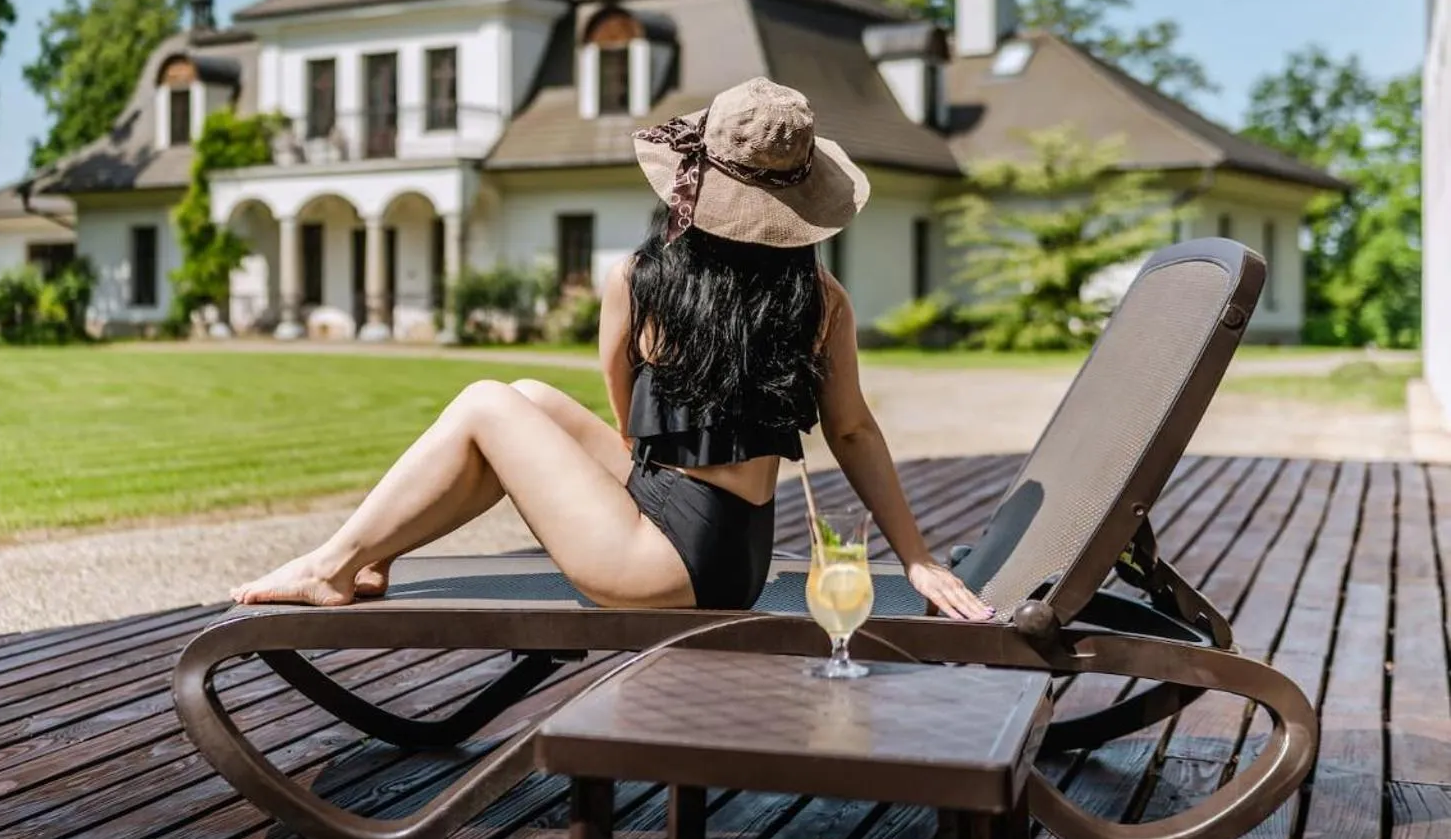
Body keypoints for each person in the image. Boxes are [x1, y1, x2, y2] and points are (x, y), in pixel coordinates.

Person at [232, 77, 993, 621]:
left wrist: (639, 485)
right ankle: (372, 555)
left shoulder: (638, 277)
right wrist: (915, 556)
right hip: (737, 559)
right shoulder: (821, 298)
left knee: (485, 403)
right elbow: (851, 430)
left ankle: (331, 566)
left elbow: (628, 418)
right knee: (524, 398)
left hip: (661, 569)